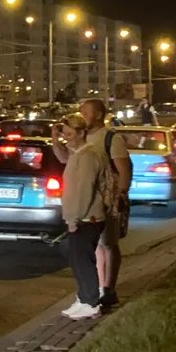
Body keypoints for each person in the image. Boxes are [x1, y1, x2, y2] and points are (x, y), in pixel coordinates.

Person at [53, 98, 129, 309]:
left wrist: (120, 195)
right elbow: (63, 159)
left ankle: (106, 290)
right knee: (90, 250)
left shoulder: (110, 139)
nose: (81, 114)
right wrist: (56, 139)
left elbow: (123, 169)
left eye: (84, 111)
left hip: (102, 204)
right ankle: (92, 293)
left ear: (96, 115)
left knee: (107, 245)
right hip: (85, 207)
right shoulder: (77, 143)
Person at [57, 113, 109, 321]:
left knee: (83, 260)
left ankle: (91, 302)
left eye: (70, 134)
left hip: (87, 218)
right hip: (82, 216)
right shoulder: (79, 153)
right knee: (77, 259)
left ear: (81, 132)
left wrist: (73, 219)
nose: (67, 137)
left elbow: (84, 190)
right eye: (65, 133)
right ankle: (84, 298)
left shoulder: (88, 156)